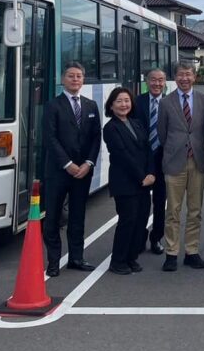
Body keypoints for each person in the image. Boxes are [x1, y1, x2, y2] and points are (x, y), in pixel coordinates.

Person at [42, 62, 102, 277]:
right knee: (53, 218)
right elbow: (50, 138)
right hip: (59, 171)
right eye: (70, 76)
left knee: (78, 217)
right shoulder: (52, 106)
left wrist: (89, 163)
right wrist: (67, 164)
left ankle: (77, 257)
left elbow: (96, 137)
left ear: (83, 80)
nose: (75, 80)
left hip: (83, 172)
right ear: (63, 79)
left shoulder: (91, 106)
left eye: (78, 76)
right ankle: (53, 261)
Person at [157, 62, 204, 271]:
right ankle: (171, 253)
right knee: (173, 210)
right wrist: (174, 148)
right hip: (174, 161)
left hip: (198, 160)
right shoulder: (165, 103)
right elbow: (162, 133)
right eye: (180, 75)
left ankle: (192, 251)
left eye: (188, 75)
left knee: (195, 210)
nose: (184, 79)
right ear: (175, 78)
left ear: (194, 77)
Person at [103, 86, 155, 275]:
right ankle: (118, 261)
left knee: (141, 221)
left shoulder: (137, 123)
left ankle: (131, 257)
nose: (124, 104)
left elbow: (148, 149)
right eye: (119, 101)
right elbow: (122, 155)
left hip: (144, 181)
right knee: (127, 221)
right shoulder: (110, 128)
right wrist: (142, 176)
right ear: (111, 105)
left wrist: (151, 173)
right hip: (125, 183)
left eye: (126, 101)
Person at [134, 68, 167, 255]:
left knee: (160, 203)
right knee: (141, 203)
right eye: (153, 80)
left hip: (163, 161)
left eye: (160, 80)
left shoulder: (170, 103)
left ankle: (156, 238)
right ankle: (139, 238)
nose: (157, 84)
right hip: (142, 161)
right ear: (147, 81)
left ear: (165, 82)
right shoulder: (136, 103)